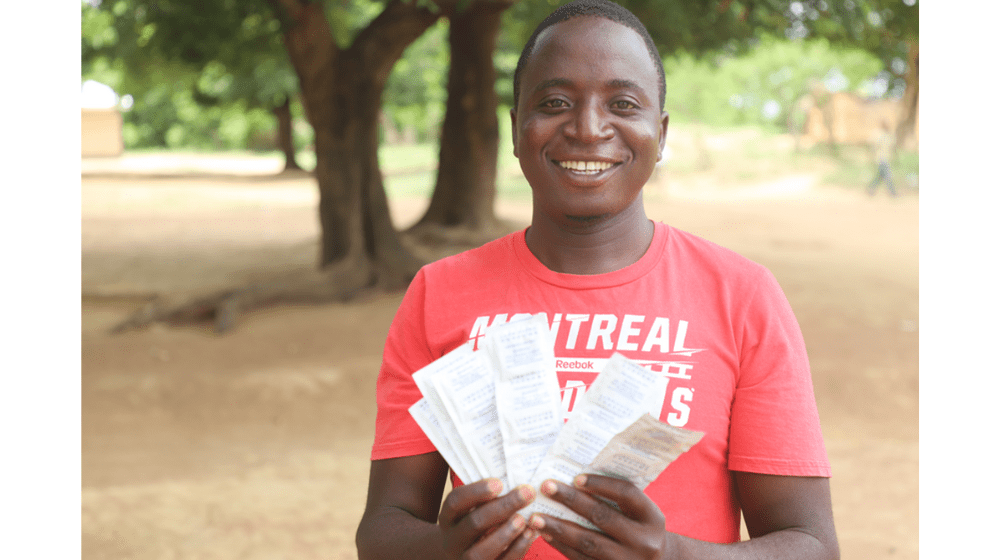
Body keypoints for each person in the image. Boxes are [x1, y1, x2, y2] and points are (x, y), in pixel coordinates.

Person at [355, 2, 839, 559]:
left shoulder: (742, 296)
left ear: (659, 133)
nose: (588, 128)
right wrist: (447, 548)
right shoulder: (438, 294)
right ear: (516, 129)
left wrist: (674, 556)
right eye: (555, 102)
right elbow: (383, 530)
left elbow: (812, 546)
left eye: (623, 104)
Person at [867, 120, 898, 197]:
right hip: (881, 159)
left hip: (886, 158)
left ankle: (871, 189)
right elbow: (872, 145)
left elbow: (893, 146)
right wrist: (872, 155)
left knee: (880, 176)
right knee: (887, 176)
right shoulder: (878, 134)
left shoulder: (889, 135)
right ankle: (893, 193)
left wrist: (895, 156)